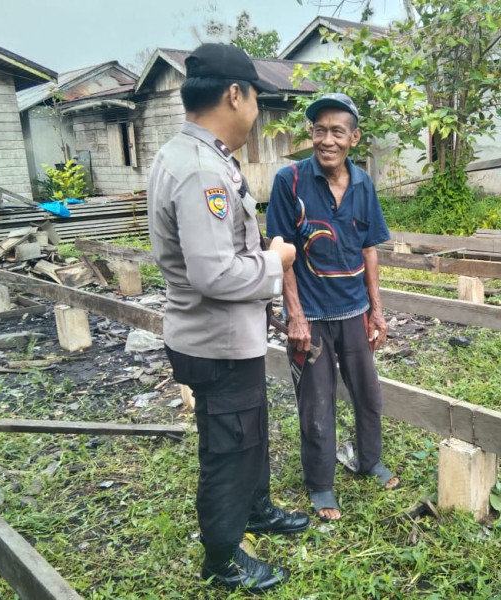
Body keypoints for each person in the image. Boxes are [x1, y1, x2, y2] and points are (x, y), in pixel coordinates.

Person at [147, 43, 309, 593]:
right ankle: (223, 558)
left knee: (249, 430)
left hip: (227, 337)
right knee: (228, 445)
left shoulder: (197, 155)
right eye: (257, 96)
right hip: (214, 340)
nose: (257, 110)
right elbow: (213, 275)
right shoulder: (201, 172)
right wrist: (277, 260)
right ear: (235, 94)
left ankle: (256, 507)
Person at [265, 93, 399, 523]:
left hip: (354, 311)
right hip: (313, 319)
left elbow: (369, 248)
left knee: (368, 395)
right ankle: (321, 484)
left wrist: (377, 311)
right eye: (319, 130)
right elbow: (283, 252)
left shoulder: (363, 184)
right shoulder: (290, 182)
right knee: (317, 405)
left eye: (337, 131)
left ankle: (369, 460)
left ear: (353, 138)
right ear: (310, 133)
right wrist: (295, 317)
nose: (327, 140)